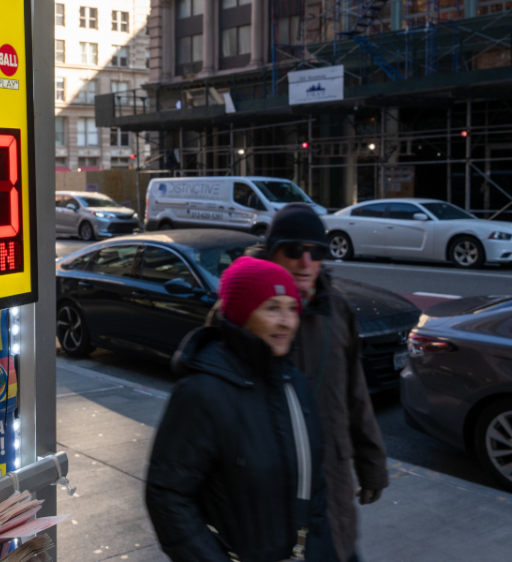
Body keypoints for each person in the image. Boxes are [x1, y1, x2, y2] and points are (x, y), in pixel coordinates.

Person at [146, 257, 335, 562]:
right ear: (242, 316)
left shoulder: (295, 383)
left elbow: (315, 486)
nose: (286, 321)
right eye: (272, 308)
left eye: (291, 308)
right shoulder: (202, 393)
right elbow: (167, 496)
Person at [263, 204, 389, 562]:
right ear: (271, 252)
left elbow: (355, 395)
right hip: (270, 496)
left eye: (317, 252)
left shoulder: (337, 309)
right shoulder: (241, 310)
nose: (306, 262)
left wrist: (372, 465)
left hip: (332, 490)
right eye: (294, 250)